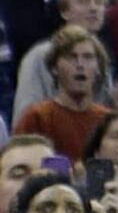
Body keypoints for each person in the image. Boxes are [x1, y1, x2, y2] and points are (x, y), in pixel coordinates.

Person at [14, 25, 110, 161]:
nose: (80, 64)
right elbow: (26, 164)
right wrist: (68, 170)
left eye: (88, 57)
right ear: (54, 67)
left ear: (98, 68)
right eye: (71, 57)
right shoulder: (37, 117)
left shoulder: (107, 120)